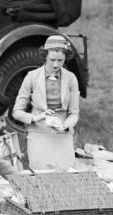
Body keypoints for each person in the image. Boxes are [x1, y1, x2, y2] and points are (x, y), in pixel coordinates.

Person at [12, 35, 80, 170]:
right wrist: (37, 117)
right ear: (45, 56)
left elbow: (74, 113)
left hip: (62, 134)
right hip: (38, 131)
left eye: (60, 60)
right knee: (41, 174)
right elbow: (16, 112)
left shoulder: (71, 78)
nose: (56, 64)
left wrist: (66, 125)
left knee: (66, 172)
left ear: (66, 58)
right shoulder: (32, 77)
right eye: (52, 60)